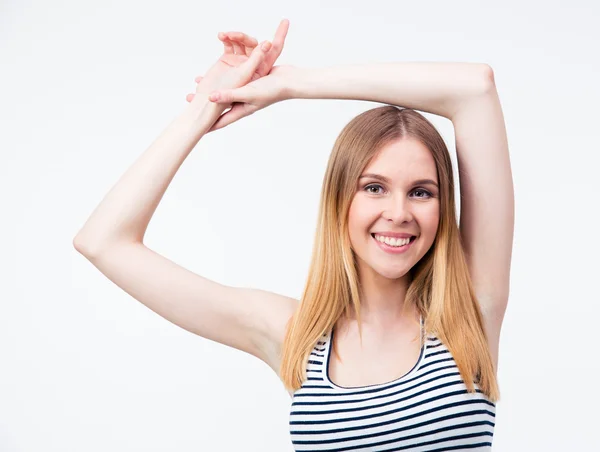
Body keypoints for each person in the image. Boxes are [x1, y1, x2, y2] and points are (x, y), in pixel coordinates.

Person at [74, 19, 513, 451]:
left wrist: (292, 84)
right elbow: (103, 241)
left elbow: (475, 88)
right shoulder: (297, 337)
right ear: (341, 199)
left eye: (421, 192)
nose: (398, 213)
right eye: (374, 187)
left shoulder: (471, 309)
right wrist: (207, 104)